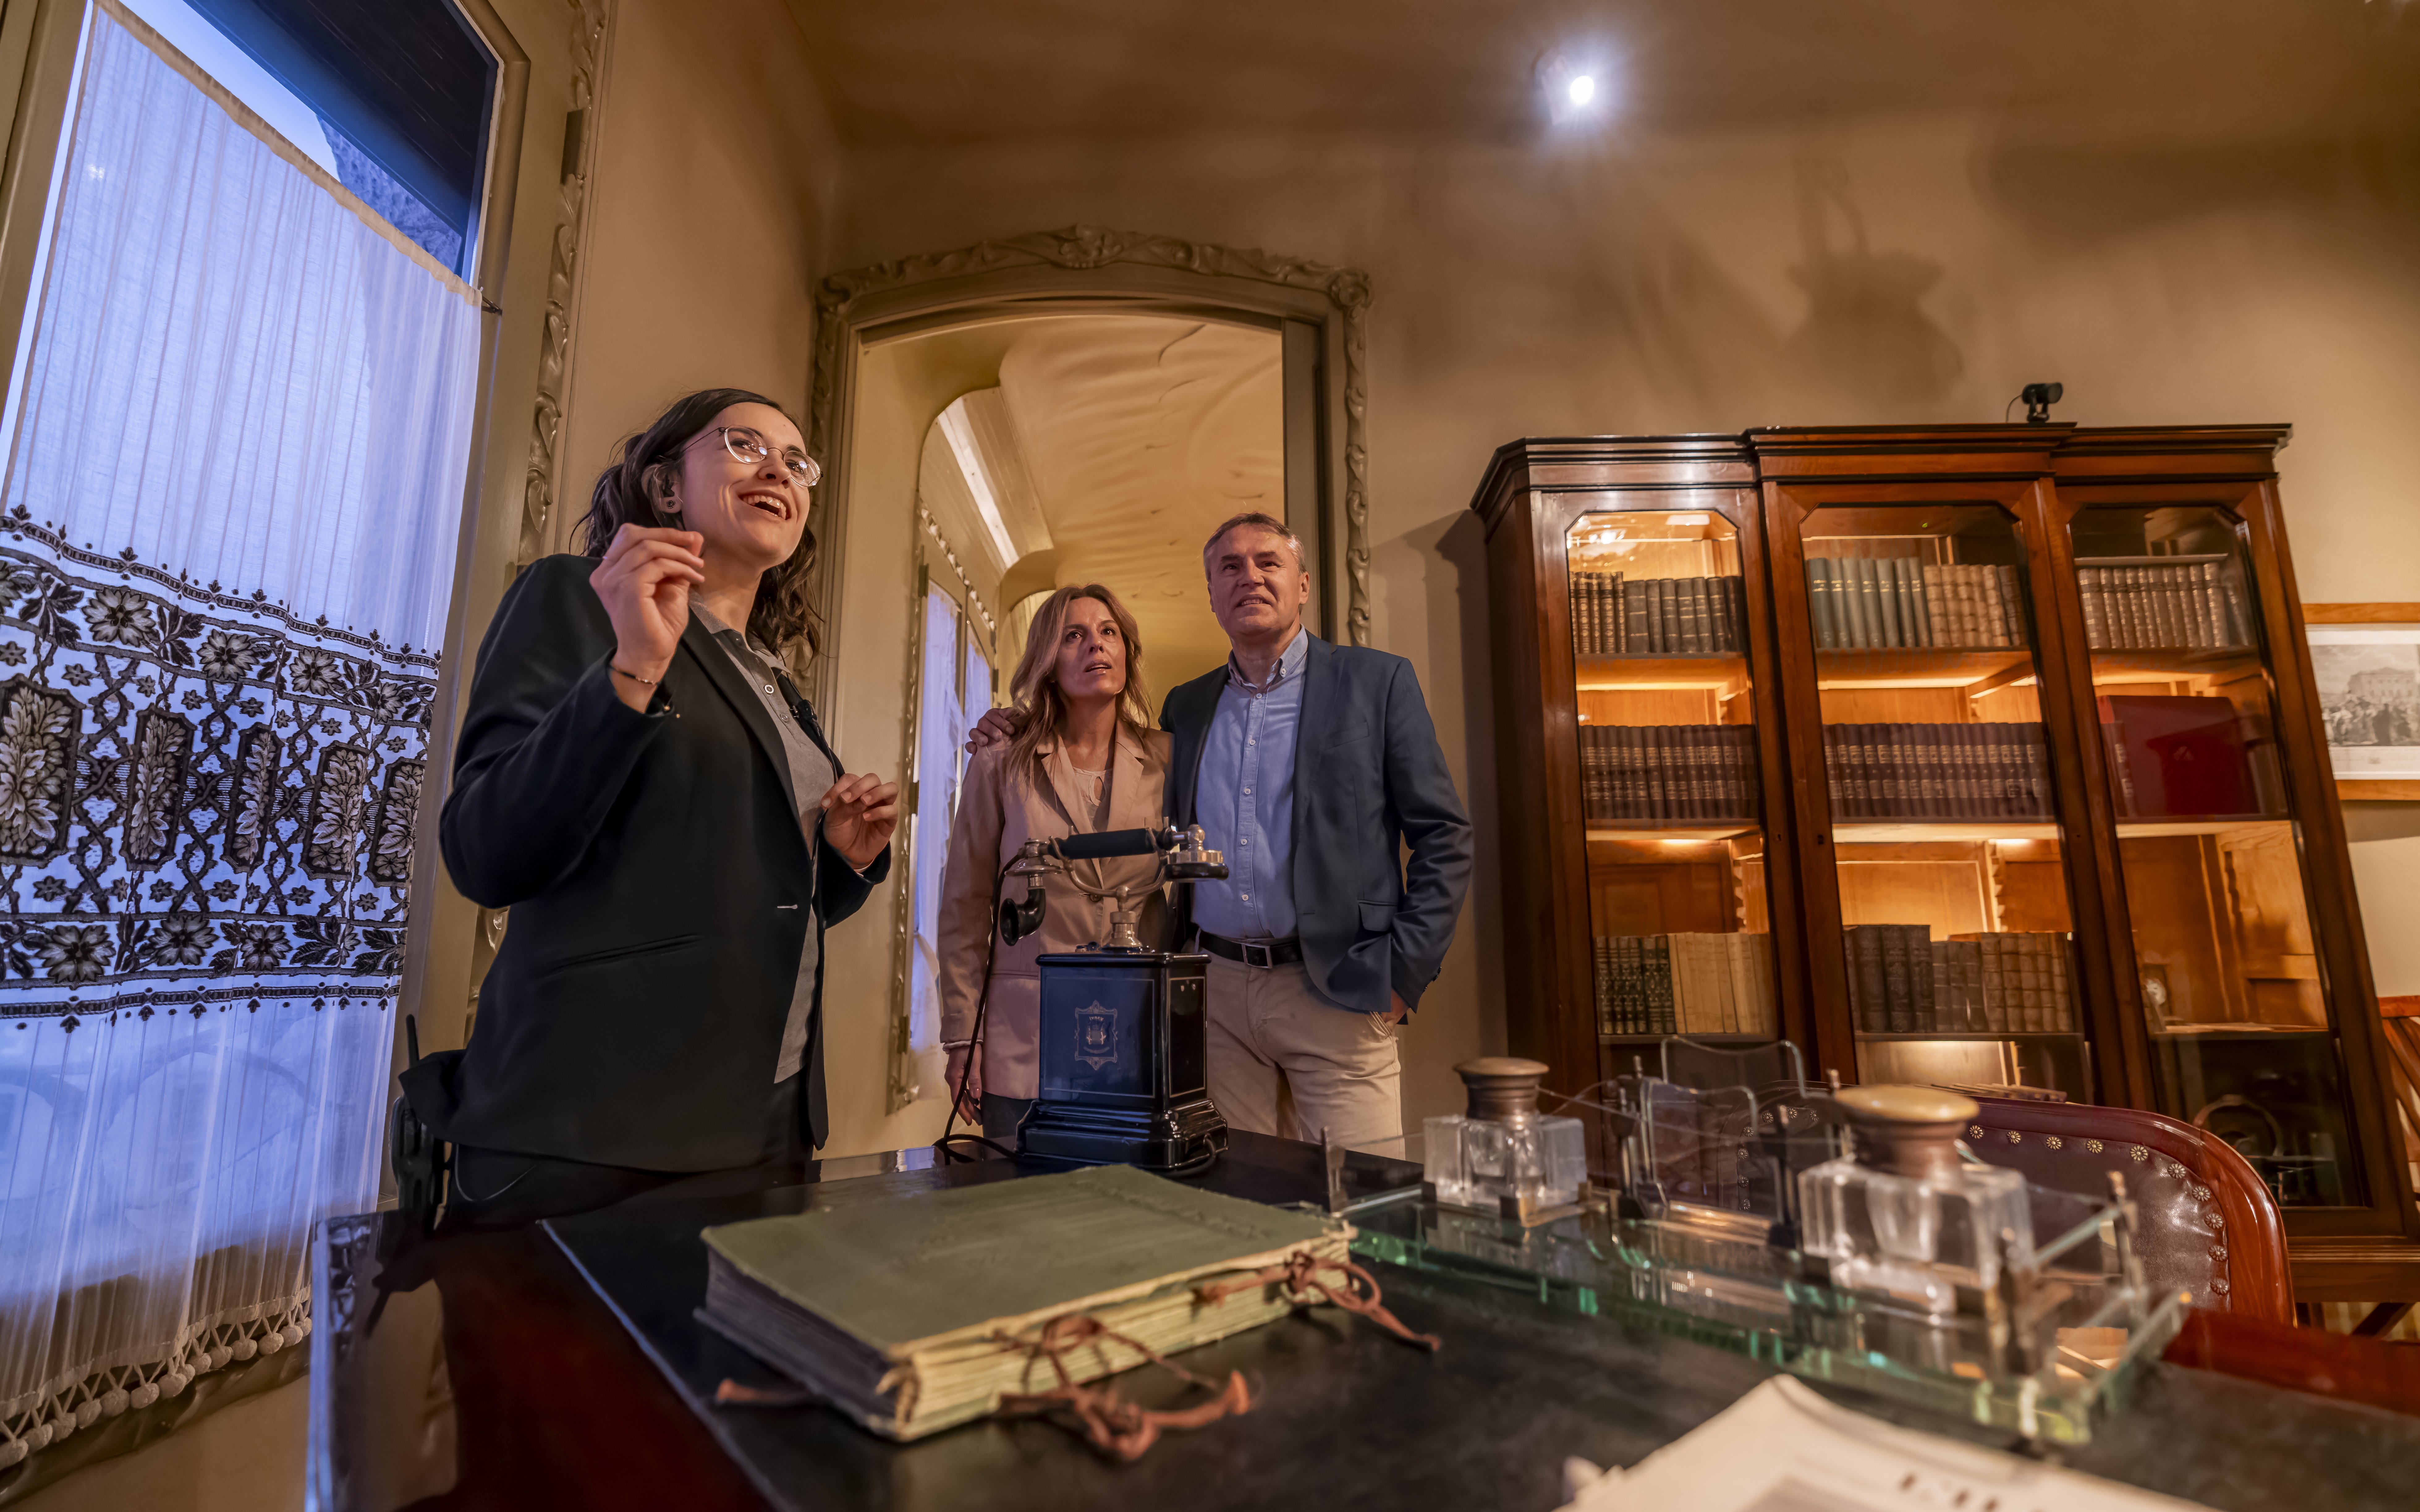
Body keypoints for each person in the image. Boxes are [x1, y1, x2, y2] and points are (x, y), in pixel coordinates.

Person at [401, 388, 897, 1224]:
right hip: (592, 1139)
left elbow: (747, 896)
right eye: (744, 444)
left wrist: (840, 860)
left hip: (768, 1135)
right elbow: (484, 853)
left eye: (797, 460)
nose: (778, 468)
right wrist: (632, 668)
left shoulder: (776, 682)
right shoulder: (577, 599)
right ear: (667, 488)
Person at [970, 512, 1472, 1149]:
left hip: (1338, 990)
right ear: (1211, 593)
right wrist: (1012, 723)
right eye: (1229, 567)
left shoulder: (1376, 682)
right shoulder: (1189, 706)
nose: (1250, 577)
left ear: (1304, 583)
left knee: (1361, 1206)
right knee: (1236, 1198)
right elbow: (1093, 746)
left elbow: (1444, 836)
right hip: (1214, 995)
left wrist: (1401, 975)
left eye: (1268, 562)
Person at [935, 585, 1170, 1144]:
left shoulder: (1169, 760)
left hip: (1136, 1034)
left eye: (1108, 632)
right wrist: (962, 1039)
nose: (1097, 645)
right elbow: (966, 907)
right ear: (1047, 660)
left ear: (1127, 651)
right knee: (1017, 1215)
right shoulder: (999, 762)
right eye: (1075, 635)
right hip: (1023, 1043)